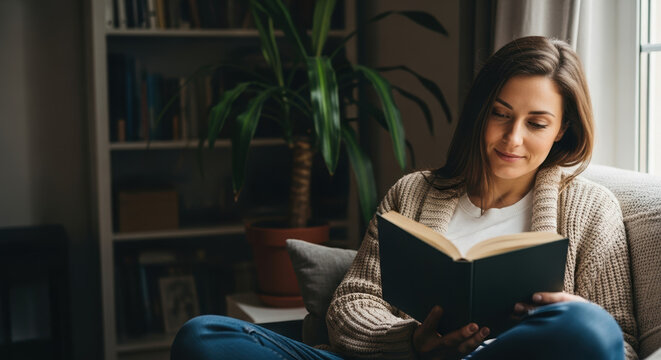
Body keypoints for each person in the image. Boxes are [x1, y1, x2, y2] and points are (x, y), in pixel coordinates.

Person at [170, 36, 637, 360]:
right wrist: (411, 342)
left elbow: (622, 346)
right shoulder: (413, 193)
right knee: (205, 336)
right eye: (500, 114)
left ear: (562, 131)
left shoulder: (591, 210)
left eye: (536, 123)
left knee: (591, 327)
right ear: (480, 113)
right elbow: (351, 304)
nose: (512, 138)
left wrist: (573, 313)